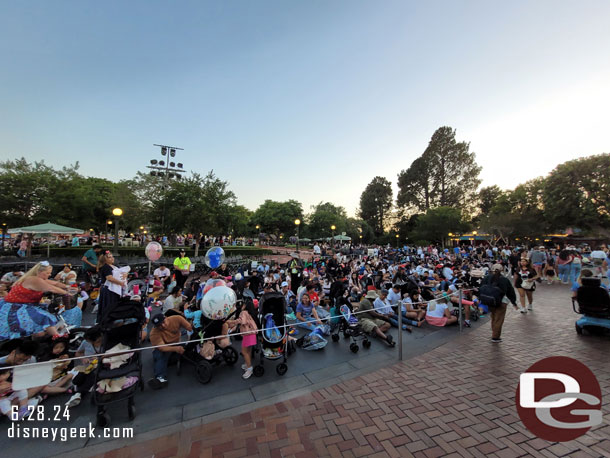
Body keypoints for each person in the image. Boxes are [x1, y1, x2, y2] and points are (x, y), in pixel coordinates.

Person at [0, 261, 76, 340]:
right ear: (39, 272)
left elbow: (55, 283)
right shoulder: (34, 279)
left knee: (45, 316)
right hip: (18, 306)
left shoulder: (37, 279)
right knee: (45, 317)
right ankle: (57, 338)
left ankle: (38, 339)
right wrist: (67, 292)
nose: (49, 275)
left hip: (27, 304)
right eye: (47, 273)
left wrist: (67, 287)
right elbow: (50, 288)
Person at [148, 314, 192, 389]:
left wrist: (191, 332)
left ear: (166, 318)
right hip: (165, 348)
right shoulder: (153, 333)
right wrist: (176, 349)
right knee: (159, 354)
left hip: (177, 344)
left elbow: (190, 327)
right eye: (159, 325)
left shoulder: (177, 318)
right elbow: (162, 348)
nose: (163, 326)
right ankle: (160, 378)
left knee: (191, 346)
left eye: (163, 322)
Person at [65, 326, 103, 408]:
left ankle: (78, 394)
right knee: (79, 379)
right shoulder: (86, 343)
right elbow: (78, 353)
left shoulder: (106, 342)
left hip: (101, 366)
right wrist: (84, 358)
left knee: (91, 376)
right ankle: (78, 393)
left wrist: (99, 358)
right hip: (88, 366)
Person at [480, 263, 518, 342]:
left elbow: (482, 288)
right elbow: (510, 292)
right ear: (501, 270)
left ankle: (494, 332)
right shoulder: (504, 279)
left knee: (493, 317)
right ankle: (495, 336)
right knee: (499, 319)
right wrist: (514, 302)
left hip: (490, 301)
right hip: (501, 301)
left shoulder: (486, 278)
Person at [226, 301, 259, 379]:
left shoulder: (243, 312)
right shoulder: (251, 312)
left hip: (247, 334)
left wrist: (231, 322)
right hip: (252, 333)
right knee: (248, 351)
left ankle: (249, 368)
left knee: (244, 352)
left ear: (245, 305)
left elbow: (242, 321)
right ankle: (247, 363)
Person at [97, 252, 127, 322]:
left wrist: (125, 275)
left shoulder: (114, 267)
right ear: (105, 259)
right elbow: (109, 278)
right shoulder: (106, 267)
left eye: (112, 256)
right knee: (108, 306)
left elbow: (123, 272)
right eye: (110, 257)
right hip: (108, 289)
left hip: (114, 289)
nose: (112, 258)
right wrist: (120, 283)